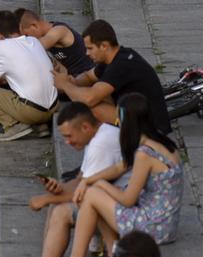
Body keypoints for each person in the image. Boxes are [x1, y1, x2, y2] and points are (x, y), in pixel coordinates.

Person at [69, 93, 183, 256]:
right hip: (166, 224)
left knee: (93, 195)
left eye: (118, 120)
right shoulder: (161, 142)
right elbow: (120, 167)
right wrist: (88, 180)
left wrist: (99, 184)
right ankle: (111, 249)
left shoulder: (145, 154)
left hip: (153, 226)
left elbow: (128, 200)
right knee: (96, 193)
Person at [30, 102, 125, 257]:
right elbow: (81, 180)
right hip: (112, 199)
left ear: (85, 127)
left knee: (61, 212)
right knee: (57, 204)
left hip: (123, 208)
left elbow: (84, 192)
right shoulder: (98, 134)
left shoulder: (99, 146)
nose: (67, 142)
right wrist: (59, 189)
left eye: (69, 136)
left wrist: (45, 199)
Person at [52, 20, 172, 135]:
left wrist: (65, 85)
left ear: (104, 46)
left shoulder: (121, 65)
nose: (87, 53)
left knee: (93, 108)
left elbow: (89, 99)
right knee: (96, 94)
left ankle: (109, 142)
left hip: (152, 127)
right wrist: (73, 81)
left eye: (90, 48)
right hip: (136, 113)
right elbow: (89, 76)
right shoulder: (115, 56)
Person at [0, 10, 59, 141]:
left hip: (32, 112)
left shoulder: (1, 46)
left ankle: (12, 126)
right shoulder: (33, 41)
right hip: (53, 108)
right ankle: (39, 126)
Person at [16, 9, 95, 78]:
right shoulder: (46, 37)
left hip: (89, 76)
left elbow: (36, 46)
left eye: (26, 35)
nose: (28, 39)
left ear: (34, 26)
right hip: (74, 78)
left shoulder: (59, 30)